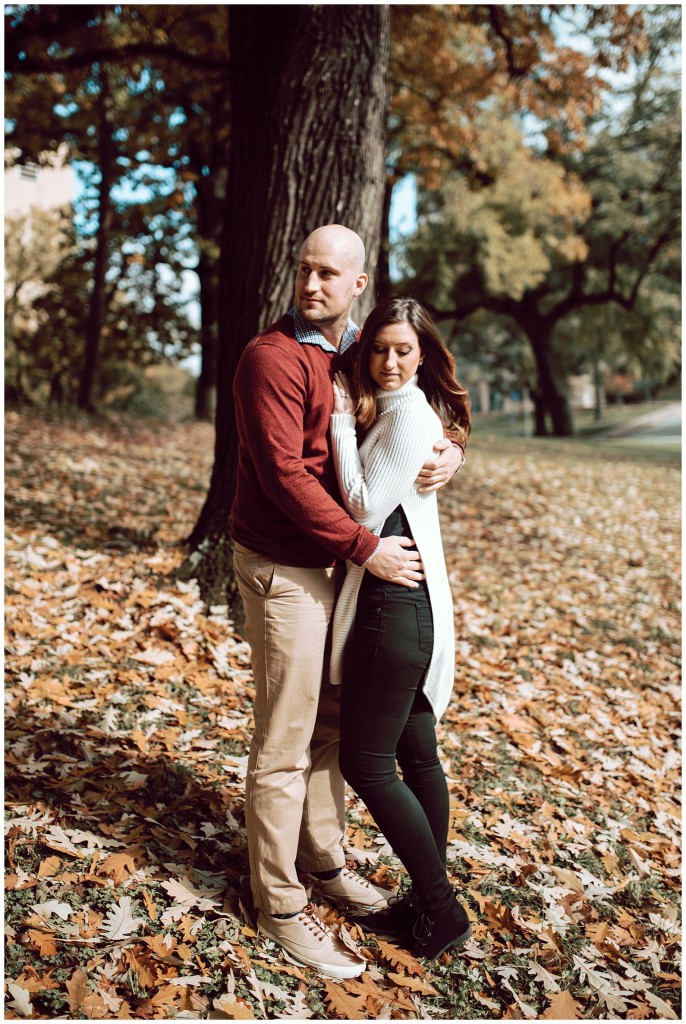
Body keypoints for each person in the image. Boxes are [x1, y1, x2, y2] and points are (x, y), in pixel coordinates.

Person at [231, 225, 466, 979]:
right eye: (304, 269)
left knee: (332, 726)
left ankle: (325, 863)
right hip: (287, 566)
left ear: (357, 284)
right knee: (286, 739)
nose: (312, 284)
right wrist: (365, 547)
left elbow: (419, 402)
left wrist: (453, 449)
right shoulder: (271, 358)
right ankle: (281, 903)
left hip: (338, 568)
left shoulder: (360, 346)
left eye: (329, 273)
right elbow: (285, 477)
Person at [329, 295, 473, 961]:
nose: (388, 362)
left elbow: (360, 504)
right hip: (406, 608)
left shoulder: (410, 417)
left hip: (394, 612)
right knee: (418, 756)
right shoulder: (401, 411)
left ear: (423, 356)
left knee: (366, 761)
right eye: (379, 349)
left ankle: (440, 910)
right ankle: (425, 905)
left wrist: (334, 422)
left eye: (403, 351)